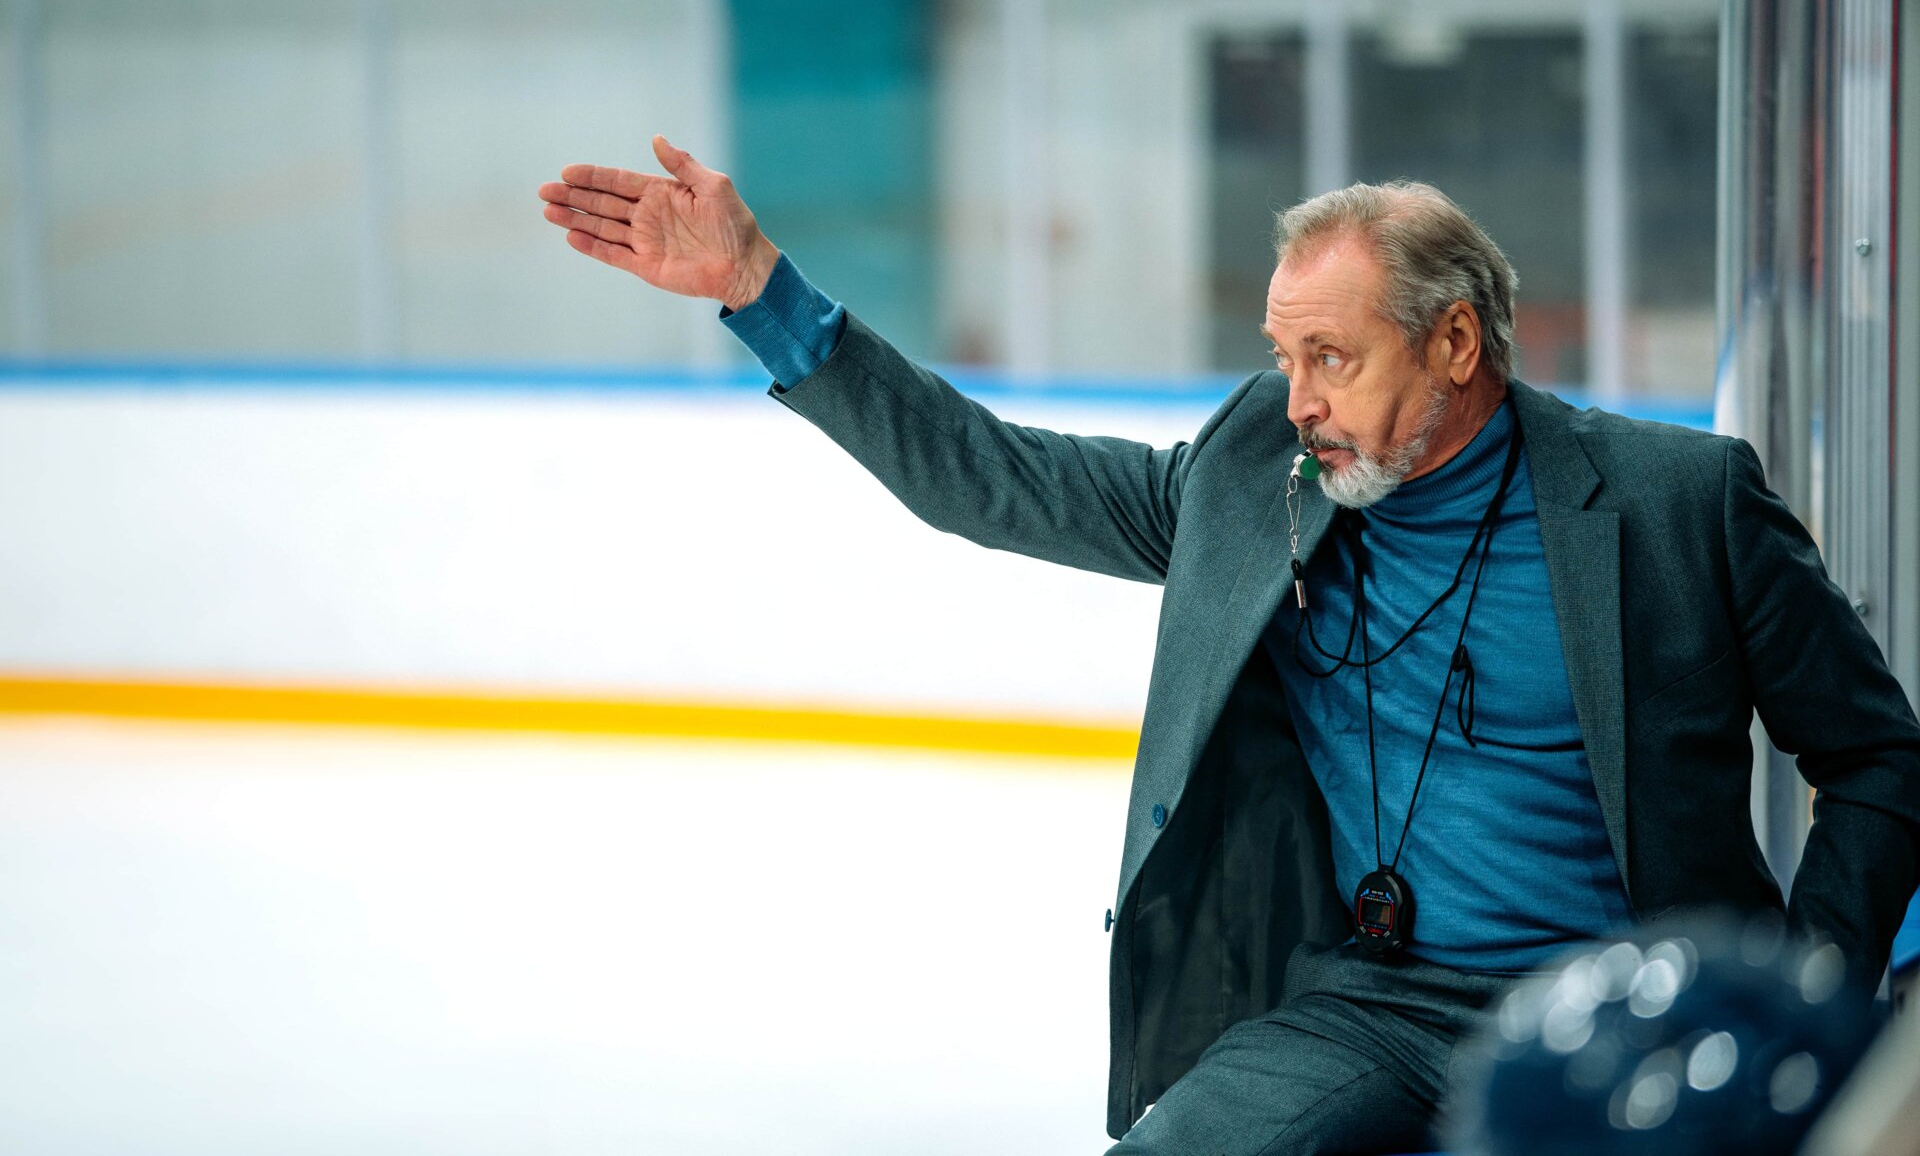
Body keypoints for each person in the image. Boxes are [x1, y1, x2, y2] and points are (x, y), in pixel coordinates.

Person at [537, 137, 1920, 1155]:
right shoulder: (1263, 474)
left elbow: (1877, 758)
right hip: (1373, 1006)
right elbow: (991, 478)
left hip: (1632, 999)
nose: (1296, 400)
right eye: (1281, 355)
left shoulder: (1680, 505)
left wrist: (1807, 981)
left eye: (1332, 359)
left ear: (1454, 343)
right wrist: (760, 290)